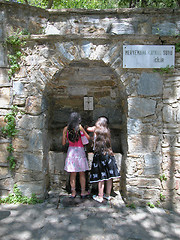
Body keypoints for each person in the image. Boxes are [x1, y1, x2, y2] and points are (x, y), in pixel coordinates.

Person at [87, 116, 120, 203]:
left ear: (99, 123)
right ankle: (107, 195)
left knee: (101, 176)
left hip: (99, 155)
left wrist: (87, 126)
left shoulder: (96, 130)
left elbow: (88, 129)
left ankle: (100, 196)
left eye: (97, 121)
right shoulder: (107, 131)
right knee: (109, 176)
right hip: (109, 155)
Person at [62, 112, 90, 198]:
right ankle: (83, 191)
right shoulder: (80, 127)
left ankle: (73, 192)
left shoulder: (66, 129)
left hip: (71, 151)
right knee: (82, 173)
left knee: (72, 173)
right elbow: (88, 138)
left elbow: (63, 143)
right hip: (80, 151)